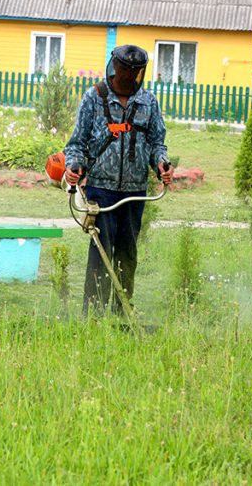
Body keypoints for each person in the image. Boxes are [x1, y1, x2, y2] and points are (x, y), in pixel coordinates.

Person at [64, 44, 174, 316]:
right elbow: (76, 144)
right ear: (115, 67)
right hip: (101, 190)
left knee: (128, 254)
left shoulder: (148, 102)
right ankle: (94, 314)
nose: (129, 76)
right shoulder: (95, 97)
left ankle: (122, 311)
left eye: (135, 71)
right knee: (101, 253)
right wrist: (73, 166)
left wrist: (161, 164)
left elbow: (156, 143)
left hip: (135, 192)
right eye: (125, 69)